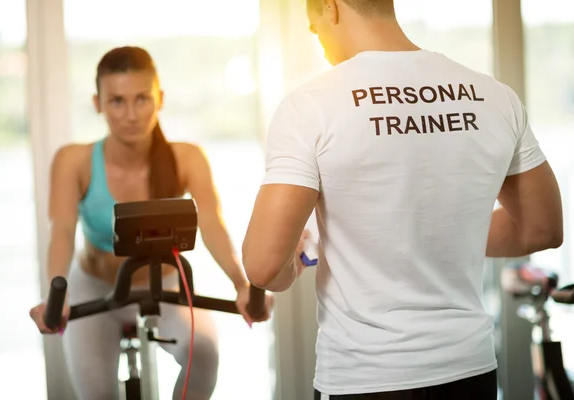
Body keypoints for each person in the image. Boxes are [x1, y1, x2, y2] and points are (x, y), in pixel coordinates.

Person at [241, 1, 563, 399]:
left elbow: (263, 265)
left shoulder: (310, 104)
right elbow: (542, 228)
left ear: (331, 7)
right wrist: (432, 232)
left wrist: (294, 260)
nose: (318, 40)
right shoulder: (493, 96)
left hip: (367, 376)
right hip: (469, 370)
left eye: (314, 26)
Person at [29, 46, 272, 400]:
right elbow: (62, 230)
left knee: (204, 353)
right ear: (98, 103)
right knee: (96, 395)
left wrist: (242, 285)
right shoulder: (73, 161)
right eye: (116, 101)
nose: (130, 114)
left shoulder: (187, 157)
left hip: (165, 283)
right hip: (95, 289)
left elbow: (212, 222)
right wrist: (55, 298)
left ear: (160, 98)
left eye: (142, 98)